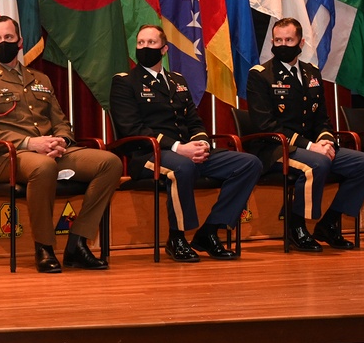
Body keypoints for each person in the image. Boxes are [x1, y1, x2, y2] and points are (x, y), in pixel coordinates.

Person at [0, 16, 122, 272]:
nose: (2, 42)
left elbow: (60, 121)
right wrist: (30, 143)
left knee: (110, 163)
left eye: (8, 37)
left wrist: (60, 140)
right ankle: (44, 248)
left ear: (20, 41)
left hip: (51, 153)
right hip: (9, 157)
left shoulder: (40, 79)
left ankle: (78, 242)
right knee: (43, 168)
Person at [110, 24, 263, 262]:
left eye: (151, 43)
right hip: (149, 155)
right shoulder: (125, 82)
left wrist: (200, 143)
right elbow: (132, 128)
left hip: (186, 153)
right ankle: (177, 237)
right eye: (141, 43)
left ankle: (211, 230)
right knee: (183, 167)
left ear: (164, 49)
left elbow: (194, 121)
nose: (145, 47)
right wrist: (178, 148)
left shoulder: (176, 81)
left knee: (248, 163)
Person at [246, 17, 364, 251]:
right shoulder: (261, 75)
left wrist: (326, 139)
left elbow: (321, 119)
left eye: (289, 40)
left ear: (301, 42)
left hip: (312, 148)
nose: (283, 44)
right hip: (277, 148)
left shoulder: (312, 73)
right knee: (317, 163)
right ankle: (296, 227)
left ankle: (330, 223)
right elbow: (265, 125)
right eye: (278, 40)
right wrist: (310, 146)